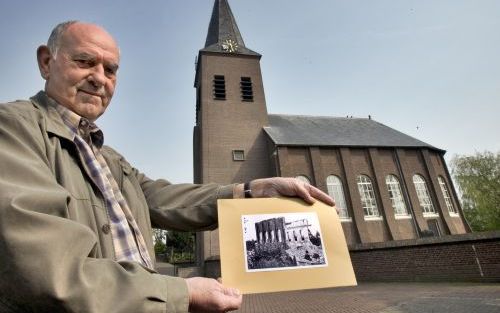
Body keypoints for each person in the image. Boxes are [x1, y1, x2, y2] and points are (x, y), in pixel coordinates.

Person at [0, 21, 334, 313]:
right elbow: (46, 271)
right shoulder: (14, 129)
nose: (99, 78)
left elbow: (162, 198)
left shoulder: (108, 157)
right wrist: (180, 294)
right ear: (47, 62)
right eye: (85, 62)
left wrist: (250, 190)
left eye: (110, 69)